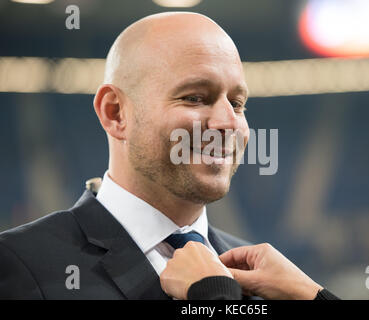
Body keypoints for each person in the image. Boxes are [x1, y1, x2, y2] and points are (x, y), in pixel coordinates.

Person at [0, 11, 332, 300]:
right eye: (195, 98)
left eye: (237, 103)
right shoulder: (18, 264)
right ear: (115, 113)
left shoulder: (270, 279)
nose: (228, 123)